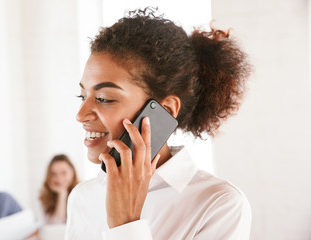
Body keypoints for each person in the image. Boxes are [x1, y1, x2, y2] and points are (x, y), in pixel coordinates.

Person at [65, 7, 252, 240]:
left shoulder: (219, 204)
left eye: (104, 99)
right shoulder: (82, 198)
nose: (81, 114)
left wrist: (125, 224)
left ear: (165, 110)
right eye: (82, 97)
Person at [39, 154, 79, 224]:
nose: (59, 178)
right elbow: (56, 225)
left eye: (63, 173)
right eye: (54, 174)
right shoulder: (45, 197)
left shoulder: (82, 192)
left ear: (72, 172)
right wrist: (62, 194)